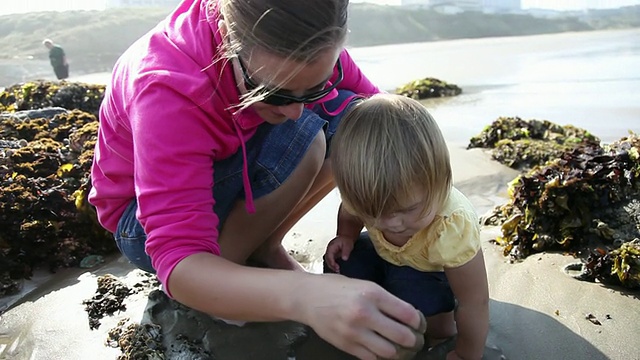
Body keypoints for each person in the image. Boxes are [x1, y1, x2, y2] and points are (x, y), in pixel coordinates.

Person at [88, 0, 426, 359]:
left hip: (228, 168)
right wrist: (304, 297)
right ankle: (225, 278)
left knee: (357, 122)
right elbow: (178, 259)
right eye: (275, 93)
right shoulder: (169, 89)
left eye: (315, 88)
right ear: (230, 46)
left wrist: (427, 193)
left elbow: (385, 120)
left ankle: (264, 248)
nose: (294, 108)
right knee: (308, 136)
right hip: (140, 226)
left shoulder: (307, 34)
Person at [324, 94, 490, 360]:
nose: (390, 223)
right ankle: (373, 319)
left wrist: (467, 354)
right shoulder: (364, 193)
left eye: (408, 210)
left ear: (441, 181)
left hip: (431, 272)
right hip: (386, 257)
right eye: (373, 212)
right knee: (343, 263)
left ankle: (440, 330)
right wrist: (346, 234)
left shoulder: (452, 225)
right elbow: (350, 210)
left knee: (418, 294)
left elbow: (475, 301)